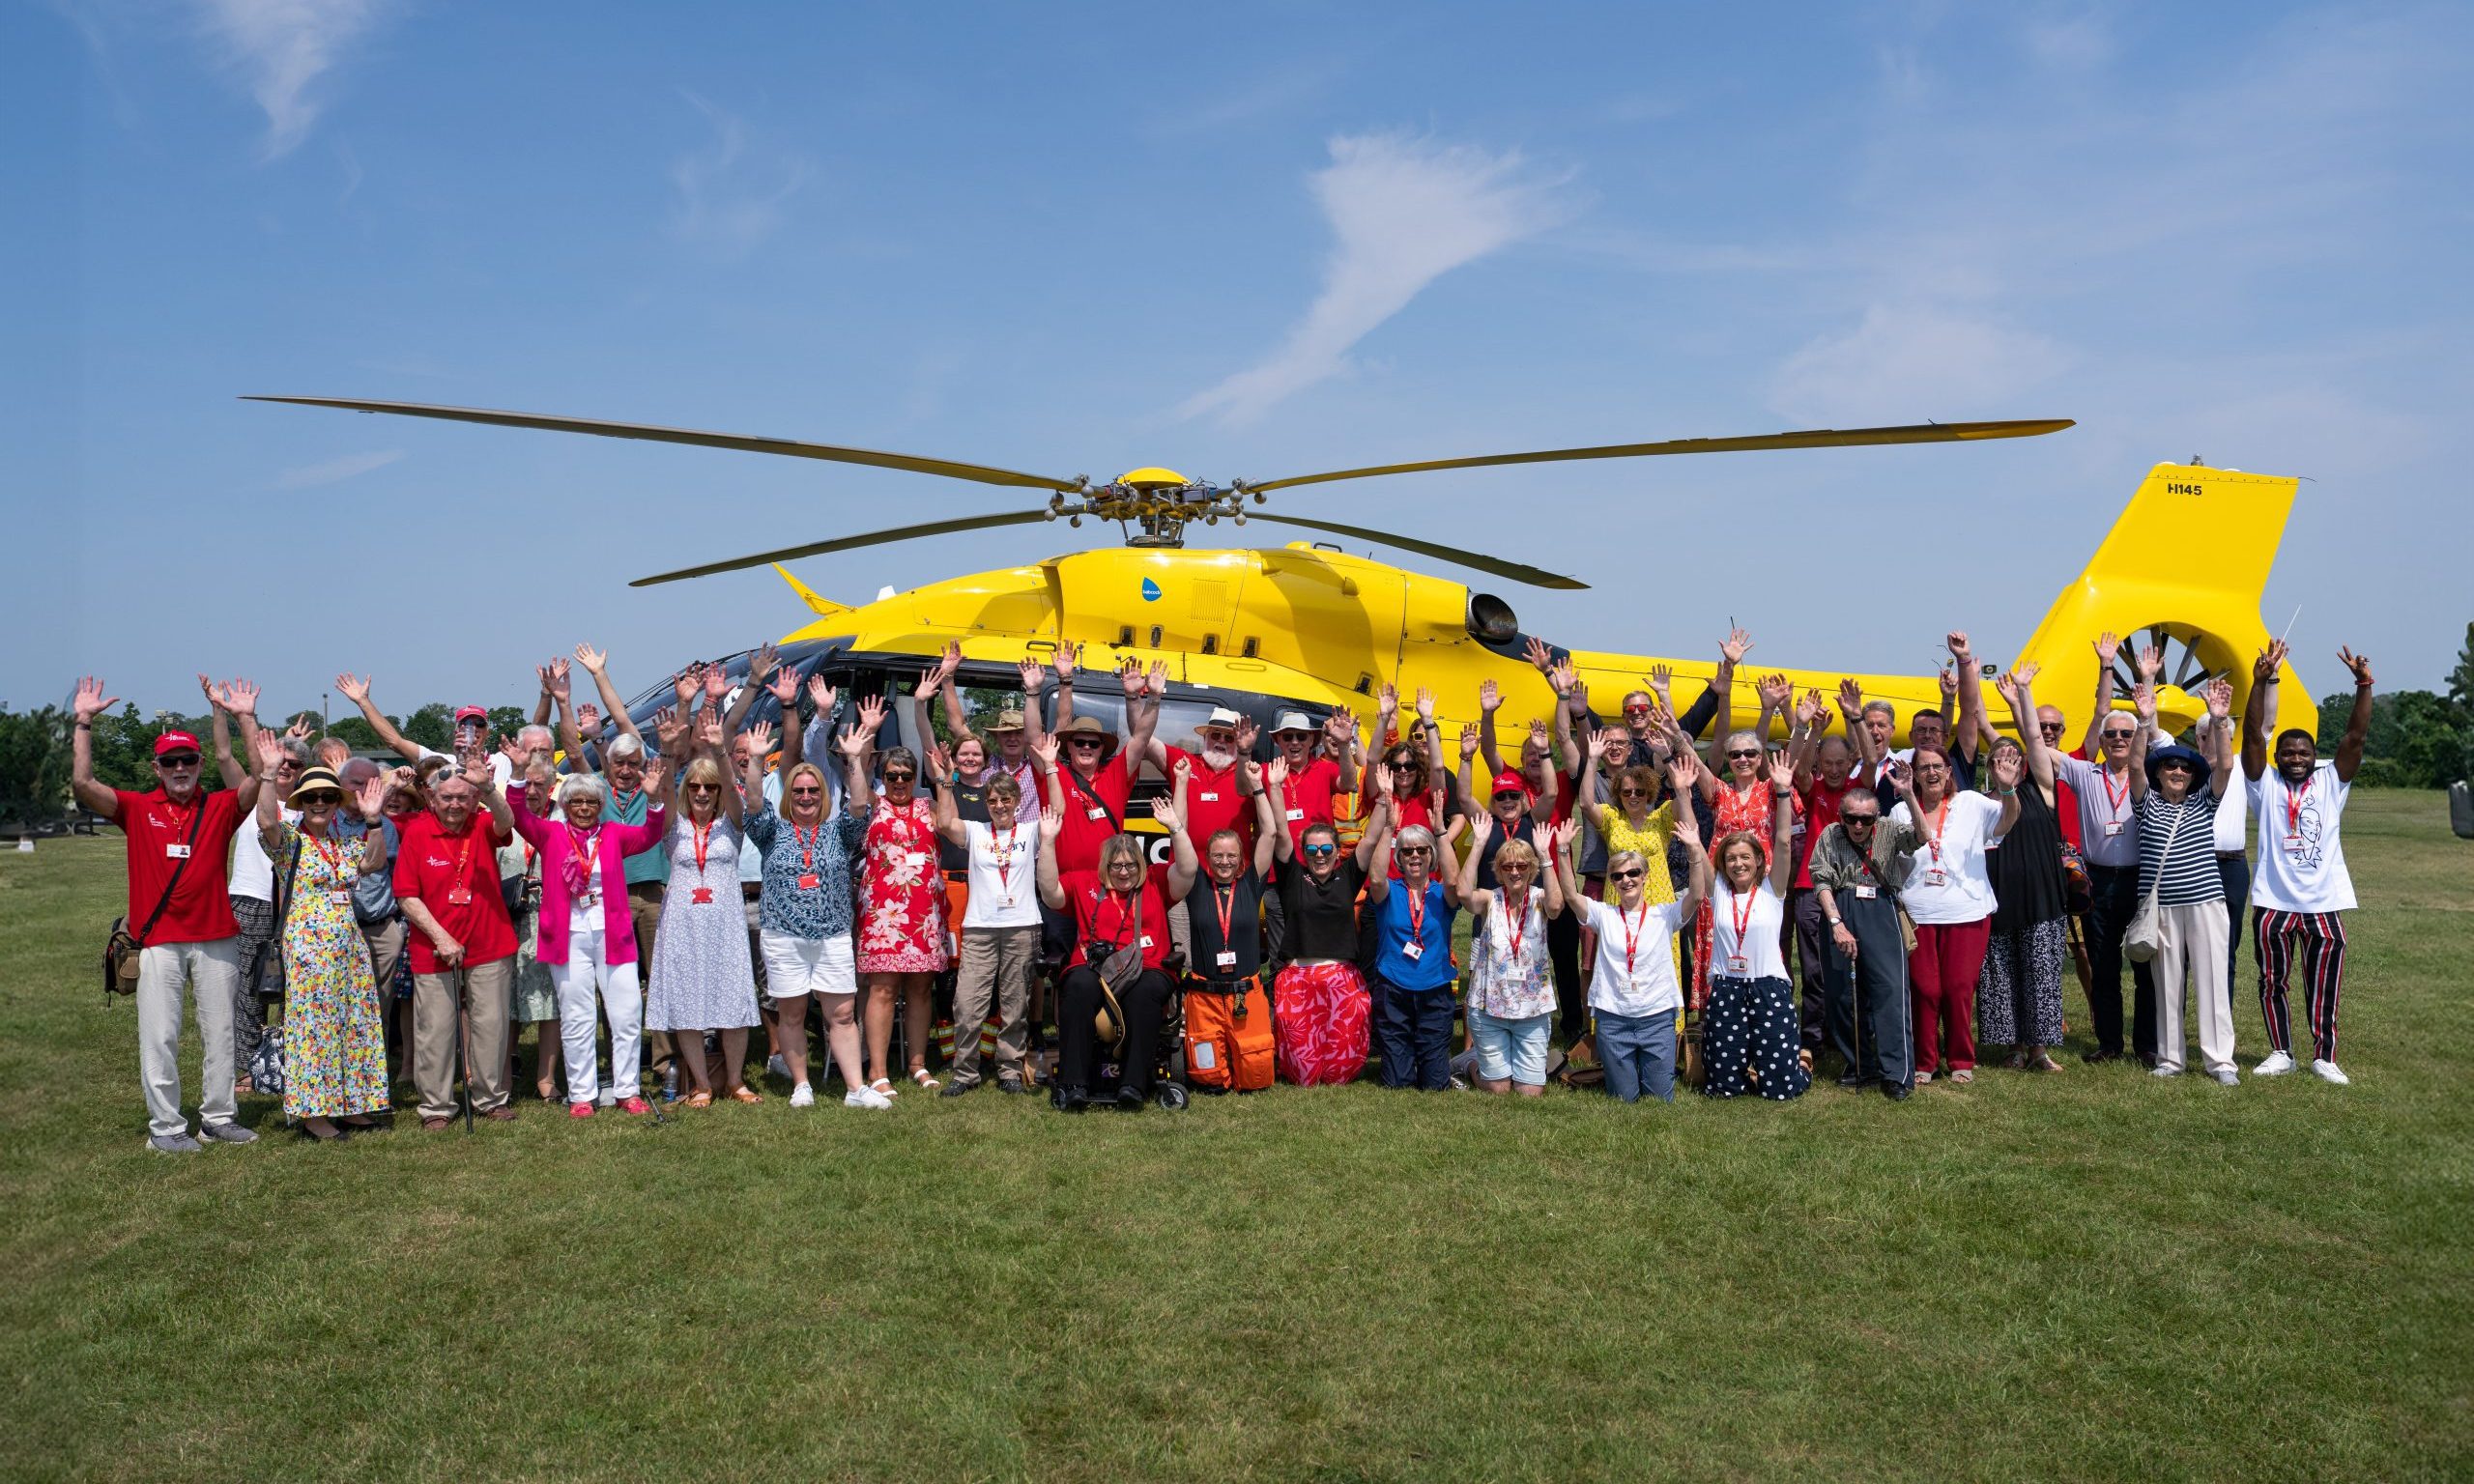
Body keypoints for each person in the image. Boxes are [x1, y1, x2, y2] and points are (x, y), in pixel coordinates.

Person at [72, 677, 267, 1151]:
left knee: (220, 1034)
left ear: (200, 764)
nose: (180, 768)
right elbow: (82, 782)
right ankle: (166, 1129)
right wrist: (83, 722)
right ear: (157, 768)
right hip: (158, 940)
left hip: (217, 936)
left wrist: (244, 717)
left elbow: (259, 780)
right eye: (170, 761)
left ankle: (219, 1118)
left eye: (188, 760)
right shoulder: (137, 808)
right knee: (160, 1037)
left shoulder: (219, 806)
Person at [504, 754, 669, 1117]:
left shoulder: (613, 834)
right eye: (576, 801)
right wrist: (517, 775)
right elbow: (517, 815)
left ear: (601, 806)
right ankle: (582, 1094)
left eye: (591, 802)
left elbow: (650, 835)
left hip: (613, 935)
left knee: (626, 1012)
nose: (583, 808)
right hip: (567, 935)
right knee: (577, 1016)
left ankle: (628, 1090)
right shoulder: (550, 833)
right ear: (564, 804)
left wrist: (654, 800)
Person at [2243, 642, 2372, 1083]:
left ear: (2313, 757)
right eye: (2288, 753)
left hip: (2323, 902)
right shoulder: (2264, 784)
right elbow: (2250, 736)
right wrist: (2260, 681)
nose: (2296, 759)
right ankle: (2281, 1051)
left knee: (2325, 984)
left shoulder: (2332, 782)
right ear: (2277, 756)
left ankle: (2325, 1057)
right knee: (2272, 981)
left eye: (2303, 753)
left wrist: (2363, 684)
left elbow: (2355, 737)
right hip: (2273, 901)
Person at [743, 711, 882, 1110]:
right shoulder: (772, 830)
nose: (806, 797)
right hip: (783, 935)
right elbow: (753, 801)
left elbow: (859, 803)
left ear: (823, 795)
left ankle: (856, 1090)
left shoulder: (840, 830)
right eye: (799, 791)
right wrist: (755, 760)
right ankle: (801, 1085)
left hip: (833, 933)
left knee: (840, 1013)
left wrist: (854, 760)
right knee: (792, 1013)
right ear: (789, 795)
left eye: (813, 791)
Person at [250, 750, 391, 1140]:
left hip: (349, 951)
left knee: (353, 1024)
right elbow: (265, 821)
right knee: (314, 1029)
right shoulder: (291, 842)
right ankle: (314, 1114)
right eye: (310, 797)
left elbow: (374, 863)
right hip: (309, 953)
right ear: (300, 802)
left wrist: (375, 820)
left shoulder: (345, 844)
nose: (318, 803)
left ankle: (351, 1105)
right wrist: (266, 775)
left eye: (327, 797)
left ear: (336, 803)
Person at [563, 643, 680, 1099]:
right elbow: (574, 751)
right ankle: (616, 1066)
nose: (628, 769)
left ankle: (666, 1063)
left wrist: (602, 676)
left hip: (652, 895)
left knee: (661, 980)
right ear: (607, 765)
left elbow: (630, 727)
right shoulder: (592, 794)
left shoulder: (656, 787)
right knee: (612, 984)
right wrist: (567, 700)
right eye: (620, 763)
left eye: (634, 762)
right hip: (607, 902)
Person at [1037, 800, 1194, 1113]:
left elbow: (1188, 870)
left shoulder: (1155, 883)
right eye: (1116, 866)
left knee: (1145, 992)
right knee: (1079, 986)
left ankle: (1133, 1085)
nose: (1124, 872)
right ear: (1105, 867)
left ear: (1141, 865)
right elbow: (1050, 892)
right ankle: (1075, 1084)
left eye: (1131, 865)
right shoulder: (1084, 883)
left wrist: (1175, 828)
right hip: (1093, 967)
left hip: (1147, 966)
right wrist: (1049, 841)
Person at [393, 744, 520, 1128]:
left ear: (472, 800)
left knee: (491, 1025)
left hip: (489, 944)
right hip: (432, 949)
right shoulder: (417, 832)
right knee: (434, 1030)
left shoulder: (482, 823)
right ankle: (436, 1107)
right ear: (431, 798)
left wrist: (489, 790)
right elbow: (406, 896)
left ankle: (490, 1098)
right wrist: (440, 937)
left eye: (463, 798)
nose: (454, 805)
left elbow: (507, 823)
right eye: (447, 798)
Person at [2049, 632, 2159, 1063]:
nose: (2116, 739)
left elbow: (2146, 723)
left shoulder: (2146, 774)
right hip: (2097, 879)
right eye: (2110, 733)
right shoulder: (2084, 773)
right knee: (2104, 967)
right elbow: (2039, 744)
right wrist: (2105, 667)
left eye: (2124, 734)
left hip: (2137, 879)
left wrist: (2146, 682)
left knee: (2146, 966)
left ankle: (2148, 1046)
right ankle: (2110, 1044)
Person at [646, 709, 763, 1107]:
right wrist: (665, 751)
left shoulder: (730, 824)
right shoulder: (673, 827)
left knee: (732, 1000)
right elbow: (662, 794)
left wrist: (719, 752)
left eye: (708, 788)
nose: (701, 793)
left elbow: (734, 791)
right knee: (688, 1002)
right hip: (681, 925)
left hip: (725, 924)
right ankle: (701, 1084)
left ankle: (734, 1080)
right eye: (694, 786)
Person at [1886, 741, 2022, 1086]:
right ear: (1914, 774)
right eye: (1924, 767)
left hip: (1967, 911)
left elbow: (2007, 821)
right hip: (1918, 913)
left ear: (1949, 773)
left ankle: (1961, 1058)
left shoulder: (1971, 803)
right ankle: (1925, 1060)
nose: (1932, 772)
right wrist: (1908, 798)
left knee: (1959, 988)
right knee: (1925, 989)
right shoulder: (1902, 810)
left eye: (1938, 766)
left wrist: (2006, 788)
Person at [1553, 820, 1710, 1104]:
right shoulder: (1604, 914)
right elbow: (1571, 896)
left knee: (1659, 1100)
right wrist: (1563, 850)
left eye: (1633, 873)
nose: (1626, 880)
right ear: (1611, 881)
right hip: (1614, 1020)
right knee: (1624, 1099)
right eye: (1618, 875)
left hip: (1657, 1018)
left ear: (1645, 876)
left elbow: (1697, 894)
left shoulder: (1665, 915)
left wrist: (1694, 849)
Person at [2132, 678, 2239, 1082]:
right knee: (2167, 984)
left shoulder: (2203, 801)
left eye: (2183, 767)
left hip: (2205, 901)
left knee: (2212, 978)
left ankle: (2220, 1061)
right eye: (2169, 766)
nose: (2177, 771)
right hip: (2162, 907)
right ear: (2158, 774)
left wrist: (2219, 720)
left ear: (2192, 775)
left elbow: (2225, 766)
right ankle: (2171, 1059)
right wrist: (2144, 722)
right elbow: (2133, 768)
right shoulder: (2145, 804)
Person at [930, 735, 1042, 1098]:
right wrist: (947, 779)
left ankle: (1009, 1067)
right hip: (978, 928)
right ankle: (965, 1072)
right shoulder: (976, 832)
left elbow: (1059, 809)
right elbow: (945, 822)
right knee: (967, 1002)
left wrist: (1051, 767)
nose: (998, 805)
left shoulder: (1031, 831)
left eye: (1006, 799)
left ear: (1017, 802)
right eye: (993, 800)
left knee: (1015, 1002)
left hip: (1021, 926)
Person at [851, 695, 949, 1096]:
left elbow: (936, 772)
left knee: (921, 989)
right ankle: (877, 1071)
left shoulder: (930, 807)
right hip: (883, 915)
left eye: (906, 776)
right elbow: (856, 789)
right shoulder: (871, 805)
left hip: (924, 913)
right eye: (892, 775)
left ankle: (917, 1064)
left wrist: (940, 770)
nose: (899, 782)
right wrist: (866, 741)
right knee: (882, 989)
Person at [1981, 666, 2074, 1072]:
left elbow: (2034, 738)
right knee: (2002, 975)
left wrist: (2023, 694)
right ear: (1989, 765)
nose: (2006, 764)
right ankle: (2013, 1047)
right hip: (1998, 899)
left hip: (2042, 897)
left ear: (2023, 766)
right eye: (1998, 758)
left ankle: (2039, 1050)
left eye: (2012, 759)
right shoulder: (1980, 800)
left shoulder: (2042, 790)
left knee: (2042, 975)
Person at [1702, 756, 1810, 1100]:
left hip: (1769, 988)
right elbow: (1695, 849)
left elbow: (1781, 842)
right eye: (1731, 858)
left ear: (1759, 861)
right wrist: (1692, 833)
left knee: (1780, 1091)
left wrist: (1782, 792)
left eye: (1745, 857)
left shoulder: (1772, 889)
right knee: (1723, 1090)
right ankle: (1744, 1068)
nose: (1738, 863)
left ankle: (1802, 1064)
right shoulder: (1718, 889)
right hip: (1727, 987)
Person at [1270, 770, 1388, 1085]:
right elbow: (1281, 832)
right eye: (1311, 850)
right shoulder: (1292, 878)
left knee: (1339, 1074)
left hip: (1341, 979)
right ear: (1303, 852)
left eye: (1325, 850)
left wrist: (1385, 799)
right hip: (1298, 979)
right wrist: (1275, 787)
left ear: (1337, 851)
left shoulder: (1347, 876)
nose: (1319, 856)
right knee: (1304, 1076)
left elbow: (1372, 838)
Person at [1175, 755, 1282, 1092]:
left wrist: (1257, 789)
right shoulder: (1196, 885)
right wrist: (1181, 784)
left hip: (1244, 997)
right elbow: (1178, 835)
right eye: (1218, 856)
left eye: (1231, 856)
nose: (1224, 862)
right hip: (1204, 999)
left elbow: (1270, 832)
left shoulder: (1251, 884)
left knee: (1257, 1078)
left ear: (1240, 860)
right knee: (1208, 1081)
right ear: (1207, 858)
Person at [1807, 787, 1922, 1099]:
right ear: (1841, 817)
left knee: (1890, 991)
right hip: (1841, 907)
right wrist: (1835, 923)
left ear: (1877, 817)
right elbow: (1821, 879)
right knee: (1840, 994)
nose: (1858, 826)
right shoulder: (1831, 834)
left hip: (1881, 909)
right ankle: (1861, 1063)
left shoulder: (1889, 830)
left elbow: (1922, 837)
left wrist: (1911, 796)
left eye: (1866, 819)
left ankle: (1896, 1074)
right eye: (1851, 818)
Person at [1789, 680, 1880, 1070]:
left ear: (1850, 763)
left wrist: (1856, 716)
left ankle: (1855, 1040)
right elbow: (1800, 770)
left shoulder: (1859, 789)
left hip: (1853, 889)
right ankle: (1812, 1039)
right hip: (1810, 889)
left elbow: (1873, 762)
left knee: (1853, 968)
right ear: (1820, 765)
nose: (1836, 769)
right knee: (1813, 969)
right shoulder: (1814, 790)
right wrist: (1816, 732)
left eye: (1842, 763)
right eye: (1829, 763)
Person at [1456, 814, 1571, 1097]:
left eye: (1521, 865)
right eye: (1507, 866)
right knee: (1498, 1088)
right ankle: (1468, 1063)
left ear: (1531, 869)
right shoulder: (1489, 898)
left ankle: (1505, 1062)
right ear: (1499, 870)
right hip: (1490, 1008)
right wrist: (1479, 844)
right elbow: (1462, 893)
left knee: (1529, 1092)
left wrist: (1545, 855)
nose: (1515, 872)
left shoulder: (1541, 898)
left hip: (1531, 1009)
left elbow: (1557, 906)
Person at [1364, 766, 1462, 1091]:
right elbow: (1375, 877)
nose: (1415, 856)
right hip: (1394, 989)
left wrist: (1440, 833)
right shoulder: (1389, 891)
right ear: (1399, 858)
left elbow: (1454, 881)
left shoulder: (1440, 893)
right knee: (1398, 1082)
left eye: (1422, 851)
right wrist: (1391, 830)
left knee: (1434, 1084)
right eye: (1407, 852)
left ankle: (1440, 1065)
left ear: (1431, 855)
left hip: (1434, 989)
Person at [497, 756, 565, 1100]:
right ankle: (504, 1077)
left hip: (550, 923)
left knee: (550, 1005)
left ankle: (546, 1078)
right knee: (507, 1005)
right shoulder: (504, 821)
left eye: (541, 784)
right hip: (509, 921)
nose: (534, 790)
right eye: (528, 783)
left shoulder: (563, 821)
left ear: (553, 787)